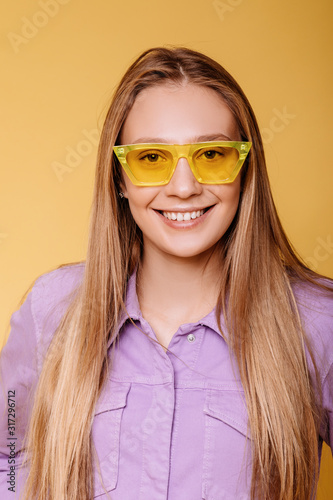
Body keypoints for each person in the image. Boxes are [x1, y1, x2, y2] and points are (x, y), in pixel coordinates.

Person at [0, 46, 332, 500]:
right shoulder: (52, 309)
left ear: (245, 168)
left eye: (212, 154)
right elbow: (7, 456)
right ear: (119, 177)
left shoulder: (317, 321)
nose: (183, 187)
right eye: (151, 158)